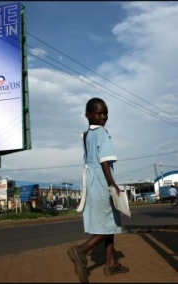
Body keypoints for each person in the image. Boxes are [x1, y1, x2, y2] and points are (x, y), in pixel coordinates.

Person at [67, 98, 129, 283]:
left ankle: (111, 264)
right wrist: (112, 184)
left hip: (91, 182)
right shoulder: (101, 132)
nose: (103, 117)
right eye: (99, 113)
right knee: (111, 223)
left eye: (106, 113)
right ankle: (81, 250)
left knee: (108, 221)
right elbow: (104, 161)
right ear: (88, 115)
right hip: (102, 181)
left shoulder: (86, 135)